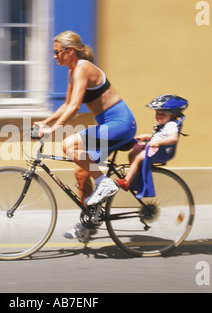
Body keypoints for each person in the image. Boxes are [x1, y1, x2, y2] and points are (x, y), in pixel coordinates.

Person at [34, 31, 137, 241]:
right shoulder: (73, 71)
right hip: (109, 125)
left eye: (57, 52)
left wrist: (54, 130)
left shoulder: (83, 68)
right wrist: (45, 122)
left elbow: (74, 106)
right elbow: (65, 103)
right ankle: (88, 223)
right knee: (82, 173)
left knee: (69, 144)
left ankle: (105, 183)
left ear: (69, 51)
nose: (54, 56)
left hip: (121, 124)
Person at [115, 95, 188, 191]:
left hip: (162, 152)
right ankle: (133, 178)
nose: (159, 116)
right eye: (157, 113)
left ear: (172, 115)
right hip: (153, 149)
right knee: (132, 155)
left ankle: (127, 181)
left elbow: (174, 138)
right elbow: (159, 136)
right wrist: (146, 136)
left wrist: (159, 142)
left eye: (163, 114)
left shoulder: (171, 125)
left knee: (137, 158)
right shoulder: (163, 125)